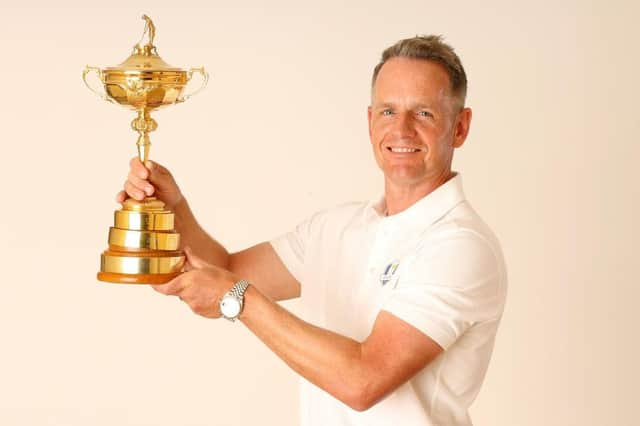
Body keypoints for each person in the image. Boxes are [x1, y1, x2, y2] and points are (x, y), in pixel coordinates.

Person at [117, 35, 508, 426]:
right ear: (370, 121)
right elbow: (227, 270)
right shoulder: (335, 227)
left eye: (423, 113)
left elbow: (364, 381)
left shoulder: (460, 245)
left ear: (460, 127)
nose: (401, 129)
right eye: (388, 111)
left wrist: (236, 297)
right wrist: (174, 207)